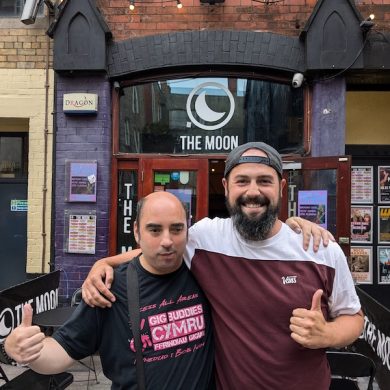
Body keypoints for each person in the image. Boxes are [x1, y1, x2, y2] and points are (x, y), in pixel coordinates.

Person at [83, 141, 363, 390]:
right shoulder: (207, 238)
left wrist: (327, 334)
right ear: (227, 187)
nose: (253, 191)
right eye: (242, 181)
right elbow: (159, 249)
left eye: (264, 181)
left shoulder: (321, 250)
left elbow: (353, 318)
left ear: (281, 187)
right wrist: (104, 262)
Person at [2, 192, 214, 389]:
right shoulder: (110, 286)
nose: (167, 241)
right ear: (137, 232)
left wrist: (104, 260)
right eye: (155, 230)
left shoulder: (205, 271)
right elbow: (63, 351)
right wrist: (26, 351)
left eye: (176, 229)